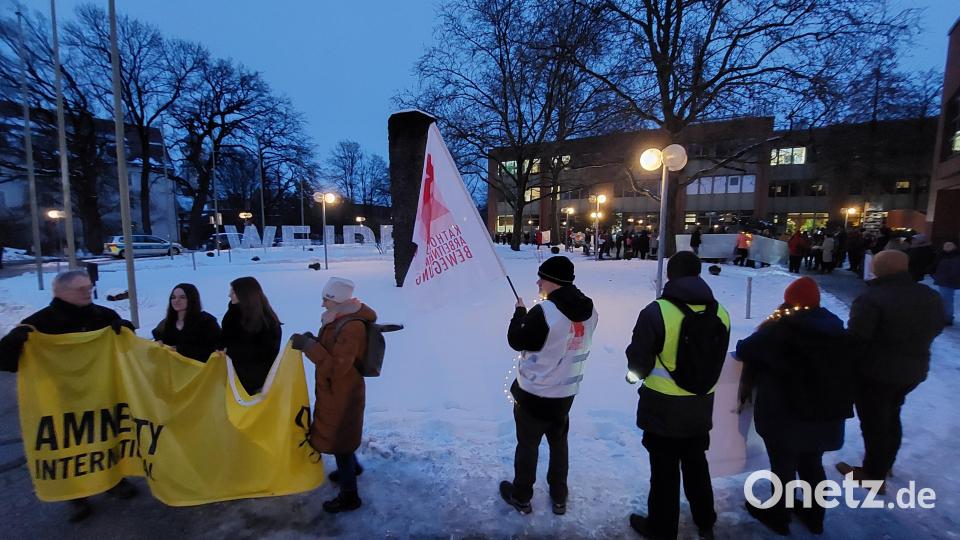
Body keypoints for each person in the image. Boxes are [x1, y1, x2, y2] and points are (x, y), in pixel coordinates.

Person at [0, 270, 138, 521]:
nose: (88, 292)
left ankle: (113, 481)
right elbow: (6, 362)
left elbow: (127, 347)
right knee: (69, 447)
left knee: (105, 438)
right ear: (61, 292)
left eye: (89, 287)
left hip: (100, 393)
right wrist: (13, 343)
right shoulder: (39, 323)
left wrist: (125, 330)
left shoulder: (103, 316)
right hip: (58, 400)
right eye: (81, 289)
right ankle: (76, 495)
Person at [625, 252, 731, 539]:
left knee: (664, 473)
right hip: (700, 408)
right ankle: (705, 520)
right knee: (697, 463)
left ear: (671, 275)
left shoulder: (656, 312)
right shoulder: (720, 312)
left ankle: (662, 528)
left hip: (662, 409)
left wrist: (633, 371)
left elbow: (639, 361)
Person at [736, 277, 854, 535]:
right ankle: (815, 515)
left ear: (789, 300)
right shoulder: (837, 329)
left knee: (783, 464)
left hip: (785, 413)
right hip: (826, 413)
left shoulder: (780, 329)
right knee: (812, 462)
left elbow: (745, 349)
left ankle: (779, 514)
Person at [500, 256, 598, 515]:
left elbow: (517, 340)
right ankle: (559, 495)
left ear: (552, 281)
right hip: (565, 394)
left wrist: (519, 314)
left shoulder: (544, 312)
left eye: (541, 277)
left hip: (535, 393)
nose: (537, 282)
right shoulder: (590, 311)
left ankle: (521, 495)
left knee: (528, 445)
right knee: (559, 443)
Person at [837, 250, 945, 488]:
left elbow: (857, 340)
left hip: (876, 373)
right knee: (891, 416)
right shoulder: (929, 296)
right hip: (912, 371)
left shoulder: (872, 298)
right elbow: (938, 326)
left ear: (878, 269)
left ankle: (873, 475)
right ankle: (884, 464)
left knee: (875, 422)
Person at [291, 277, 376, 513]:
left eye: (326, 299)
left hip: (344, 392)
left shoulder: (351, 327)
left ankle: (350, 496)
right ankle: (353, 468)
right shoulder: (338, 319)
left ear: (337, 300)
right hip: (336, 391)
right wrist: (315, 340)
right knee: (343, 436)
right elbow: (332, 350)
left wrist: (309, 347)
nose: (322, 305)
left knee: (340, 439)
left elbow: (338, 367)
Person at [219, 276, 282, 394]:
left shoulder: (267, 322)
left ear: (245, 294)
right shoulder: (232, 314)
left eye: (233, 292)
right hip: (231, 379)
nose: (229, 295)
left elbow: (265, 353)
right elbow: (225, 339)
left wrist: (231, 351)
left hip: (256, 384)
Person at [151, 283, 221, 362]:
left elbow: (215, 350)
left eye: (182, 297)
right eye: (173, 297)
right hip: (174, 371)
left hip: (201, 371)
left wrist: (181, 350)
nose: (176, 301)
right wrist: (157, 344)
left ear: (192, 299)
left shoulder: (206, 321)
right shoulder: (165, 324)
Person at [933, 242, 960, 326]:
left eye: (949, 245)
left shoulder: (956, 256)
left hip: (949, 280)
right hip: (943, 280)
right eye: (945, 245)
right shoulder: (942, 255)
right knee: (945, 299)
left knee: (946, 300)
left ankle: (947, 318)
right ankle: (945, 317)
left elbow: (956, 270)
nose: (946, 247)